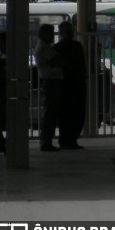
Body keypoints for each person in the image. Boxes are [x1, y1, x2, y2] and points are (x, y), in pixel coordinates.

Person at [54, 21, 86, 149]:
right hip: (77, 84)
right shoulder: (77, 46)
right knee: (77, 113)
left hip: (64, 84)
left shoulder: (57, 47)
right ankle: (72, 140)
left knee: (64, 113)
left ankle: (65, 139)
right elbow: (82, 65)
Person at [34, 24, 65, 152]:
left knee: (50, 113)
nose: (53, 36)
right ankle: (46, 142)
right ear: (43, 34)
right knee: (50, 114)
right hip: (51, 82)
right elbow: (59, 60)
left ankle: (46, 141)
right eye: (50, 33)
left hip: (51, 82)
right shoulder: (44, 48)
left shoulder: (43, 46)